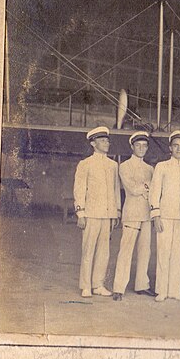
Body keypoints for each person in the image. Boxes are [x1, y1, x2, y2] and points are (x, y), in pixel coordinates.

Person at [73, 126, 121, 298]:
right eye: (102, 141)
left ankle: (98, 284)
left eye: (107, 140)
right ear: (93, 143)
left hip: (107, 215)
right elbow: (79, 190)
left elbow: (116, 189)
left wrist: (116, 212)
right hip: (91, 214)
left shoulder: (113, 165)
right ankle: (86, 286)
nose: (106, 143)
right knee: (88, 250)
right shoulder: (85, 164)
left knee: (104, 252)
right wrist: (81, 213)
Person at [149, 130, 180, 302]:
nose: (179, 149)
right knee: (163, 252)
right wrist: (156, 215)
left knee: (179, 255)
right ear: (170, 148)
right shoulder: (161, 166)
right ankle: (162, 290)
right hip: (165, 216)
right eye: (176, 146)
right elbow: (154, 192)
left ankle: (175, 290)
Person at [112, 131, 155, 301]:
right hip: (131, 214)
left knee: (145, 251)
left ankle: (142, 285)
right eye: (138, 145)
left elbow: (153, 191)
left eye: (144, 146)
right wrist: (147, 186)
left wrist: (144, 188)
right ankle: (118, 287)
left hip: (146, 213)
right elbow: (132, 189)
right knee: (126, 250)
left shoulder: (150, 169)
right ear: (132, 146)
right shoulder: (124, 166)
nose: (142, 148)